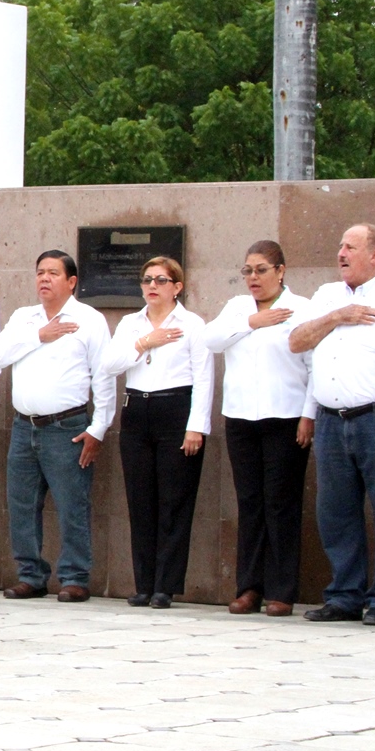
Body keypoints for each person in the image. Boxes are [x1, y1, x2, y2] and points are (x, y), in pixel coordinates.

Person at [299, 224, 375, 626]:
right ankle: (345, 596)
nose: (341, 253)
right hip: (332, 420)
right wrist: (338, 316)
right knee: (335, 512)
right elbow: (297, 341)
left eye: (351, 247)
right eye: (340, 245)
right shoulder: (326, 295)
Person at [0, 251, 115, 603]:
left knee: (72, 504)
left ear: (71, 282)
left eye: (53, 273)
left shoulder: (89, 320)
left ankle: (75, 577)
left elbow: (104, 377)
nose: (44, 278)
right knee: (22, 505)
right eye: (40, 272)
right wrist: (38, 336)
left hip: (67, 427)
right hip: (23, 428)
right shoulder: (23, 318)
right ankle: (31, 575)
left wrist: (99, 428)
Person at [200, 240, 316, 618]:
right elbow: (210, 340)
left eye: (261, 270)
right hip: (241, 418)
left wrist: (309, 414)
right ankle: (249, 587)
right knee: (250, 503)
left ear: (280, 271)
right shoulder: (238, 308)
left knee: (281, 504)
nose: (253, 277)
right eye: (247, 270)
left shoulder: (302, 308)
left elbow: (315, 365)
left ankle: (281, 591)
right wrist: (252, 322)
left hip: (286, 416)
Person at [101, 256, 215, 610]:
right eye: (147, 279)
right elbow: (109, 364)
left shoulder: (191, 324)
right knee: (141, 501)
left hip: (176, 410)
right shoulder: (131, 324)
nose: (152, 286)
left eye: (161, 280)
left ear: (177, 287)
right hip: (137, 410)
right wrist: (144, 343)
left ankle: (166, 585)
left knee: (173, 502)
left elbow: (204, 378)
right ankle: (144, 583)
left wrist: (196, 426)